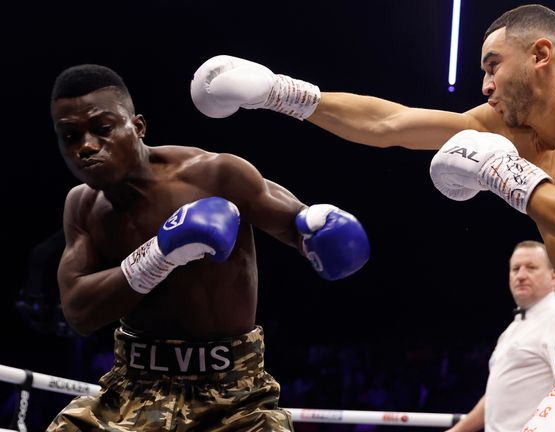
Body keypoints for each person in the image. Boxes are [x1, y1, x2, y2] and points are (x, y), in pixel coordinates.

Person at [189, 3, 555, 430]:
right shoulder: (511, 133)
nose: (484, 85)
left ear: (540, 54)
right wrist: (283, 93)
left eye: (492, 65)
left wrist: (505, 176)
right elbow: (391, 122)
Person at [46, 63, 370, 431]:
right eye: (70, 136)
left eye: (103, 129)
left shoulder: (214, 175)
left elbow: (299, 225)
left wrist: (320, 230)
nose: (86, 146)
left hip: (234, 396)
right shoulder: (82, 206)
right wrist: (160, 253)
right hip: (132, 387)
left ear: (138, 127)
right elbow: (78, 312)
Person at [447, 240, 555, 432]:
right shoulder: (513, 329)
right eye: (515, 269)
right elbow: (496, 396)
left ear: (553, 277)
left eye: (531, 268)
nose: (520, 275)